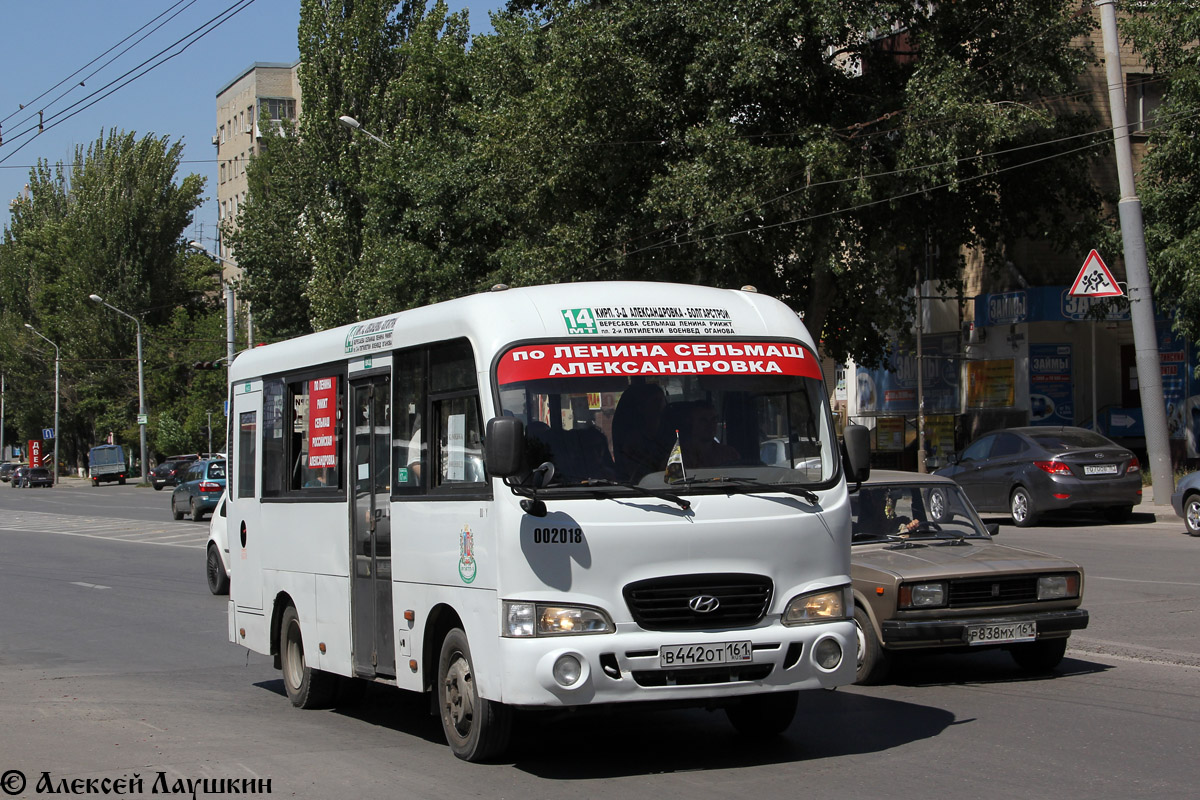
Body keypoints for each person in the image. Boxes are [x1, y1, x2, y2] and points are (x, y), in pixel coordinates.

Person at [612, 382, 669, 482]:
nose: (662, 408)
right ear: (640, 409)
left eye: (662, 402)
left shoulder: (671, 439)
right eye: (655, 403)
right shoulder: (633, 445)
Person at [680, 401, 739, 468]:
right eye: (704, 420)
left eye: (714, 419)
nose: (710, 425)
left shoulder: (729, 454)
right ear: (691, 423)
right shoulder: (678, 457)